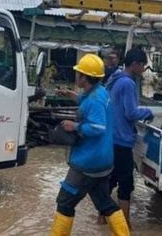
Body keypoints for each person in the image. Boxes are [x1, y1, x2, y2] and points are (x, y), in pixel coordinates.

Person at [50, 54, 129, 236]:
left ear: (84, 78)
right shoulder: (99, 92)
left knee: (64, 202)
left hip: (88, 162)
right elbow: (90, 104)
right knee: (104, 202)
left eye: (78, 73)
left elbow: (98, 127)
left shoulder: (94, 100)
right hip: (103, 161)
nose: (76, 76)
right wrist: (72, 96)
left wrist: (74, 125)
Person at [105, 47, 154, 226]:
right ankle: (124, 226)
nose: (143, 70)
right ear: (134, 64)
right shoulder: (128, 83)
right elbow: (131, 113)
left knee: (110, 182)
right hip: (122, 141)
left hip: (110, 138)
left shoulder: (114, 78)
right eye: (142, 66)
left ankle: (101, 222)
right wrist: (148, 112)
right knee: (126, 185)